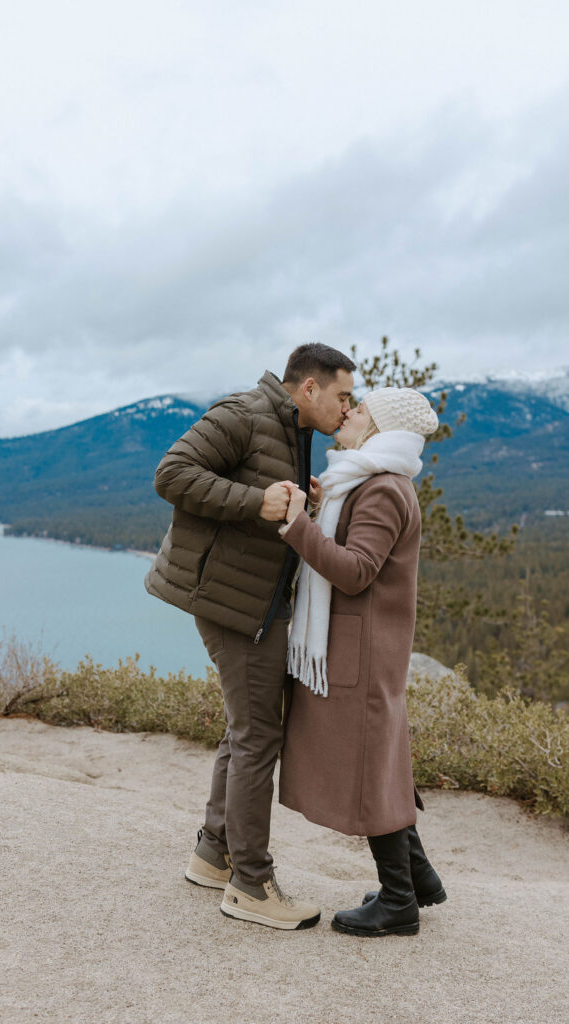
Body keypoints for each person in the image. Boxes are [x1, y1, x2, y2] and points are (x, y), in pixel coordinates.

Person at [144, 343, 356, 929]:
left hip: (252, 600)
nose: (348, 407)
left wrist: (294, 498)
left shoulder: (291, 428)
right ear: (308, 388)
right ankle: (251, 885)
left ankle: (215, 853)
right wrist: (257, 501)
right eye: (342, 395)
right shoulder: (242, 414)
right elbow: (171, 474)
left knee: (247, 730)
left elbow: (263, 495)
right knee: (258, 735)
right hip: (231, 604)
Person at [277, 386, 447, 937]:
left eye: (360, 410)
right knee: (383, 760)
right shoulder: (373, 482)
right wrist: (326, 506)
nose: (347, 413)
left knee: (373, 768)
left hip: (362, 649)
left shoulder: (381, 490)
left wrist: (298, 525)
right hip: (367, 645)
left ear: (379, 430)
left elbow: (355, 571)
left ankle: (399, 902)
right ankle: (416, 879)